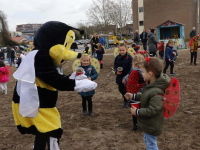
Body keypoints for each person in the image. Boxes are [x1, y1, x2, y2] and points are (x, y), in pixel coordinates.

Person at [125, 57, 171, 150]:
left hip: (152, 125)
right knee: (148, 142)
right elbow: (145, 96)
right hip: (148, 124)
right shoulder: (151, 85)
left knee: (151, 145)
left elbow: (153, 110)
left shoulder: (156, 91)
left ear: (150, 74)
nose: (141, 74)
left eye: (142, 72)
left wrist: (137, 112)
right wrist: (133, 96)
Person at [122, 54, 145, 131]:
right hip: (142, 94)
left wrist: (125, 81)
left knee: (134, 109)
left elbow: (128, 84)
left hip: (133, 94)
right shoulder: (145, 72)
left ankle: (135, 125)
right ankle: (141, 123)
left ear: (134, 63)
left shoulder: (133, 71)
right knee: (141, 109)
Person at [114, 42, 133, 108]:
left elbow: (131, 67)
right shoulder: (117, 57)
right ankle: (126, 99)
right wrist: (116, 71)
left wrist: (127, 77)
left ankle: (126, 101)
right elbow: (115, 65)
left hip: (127, 76)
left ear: (126, 49)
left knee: (126, 89)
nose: (121, 52)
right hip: (119, 76)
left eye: (123, 50)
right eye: (120, 50)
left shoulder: (129, 57)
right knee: (120, 89)